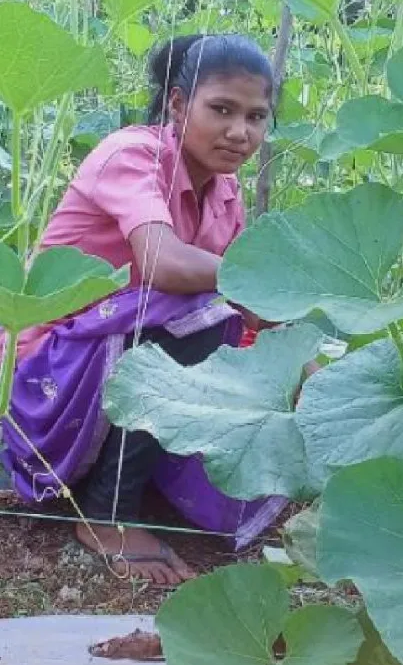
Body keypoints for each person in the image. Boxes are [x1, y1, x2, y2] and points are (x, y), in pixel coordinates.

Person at [1, 34, 288, 586]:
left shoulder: (225, 193)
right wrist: (254, 289)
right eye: (221, 109)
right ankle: (106, 515)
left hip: (115, 371)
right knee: (196, 307)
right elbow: (164, 265)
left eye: (256, 116)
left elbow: (256, 316)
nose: (240, 131)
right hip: (43, 375)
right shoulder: (132, 153)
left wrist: (319, 388)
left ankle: (129, 478)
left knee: (228, 327)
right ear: (178, 104)